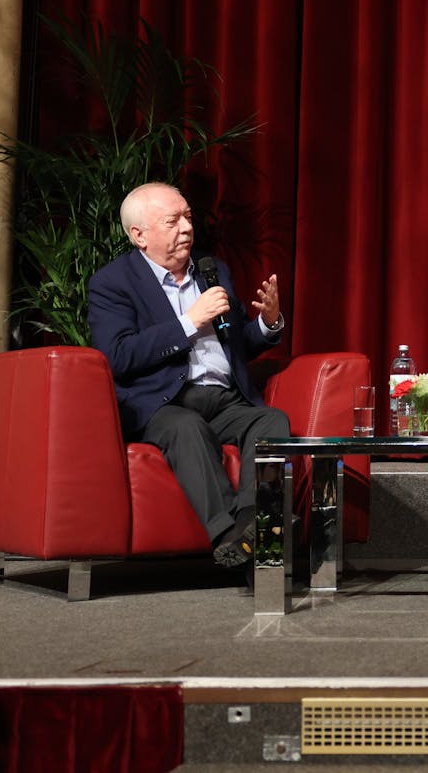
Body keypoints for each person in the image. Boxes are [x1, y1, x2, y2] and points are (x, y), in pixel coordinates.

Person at [88, 182, 291, 569]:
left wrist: (268, 323)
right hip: (162, 404)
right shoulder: (112, 283)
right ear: (139, 236)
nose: (186, 228)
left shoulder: (211, 270)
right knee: (186, 427)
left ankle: (254, 520)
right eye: (173, 220)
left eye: (188, 217)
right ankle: (228, 534)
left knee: (270, 419)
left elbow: (238, 343)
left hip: (223, 399)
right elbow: (116, 355)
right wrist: (188, 322)